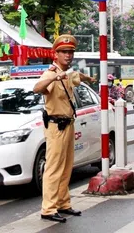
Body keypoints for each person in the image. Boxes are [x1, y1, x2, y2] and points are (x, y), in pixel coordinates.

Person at [33, 35, 96, 223]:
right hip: (55, 126)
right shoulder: (51, 73)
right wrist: (54, 76)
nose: (68, 56)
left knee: (67, 166)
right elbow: (37, 88)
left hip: (68, 124)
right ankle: (48, 208)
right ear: (56, 54)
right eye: (64, 52)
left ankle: (63, 203)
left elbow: (78, 77)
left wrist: (89, 77)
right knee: (53, 168)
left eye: (71, 52)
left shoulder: (68, 73)